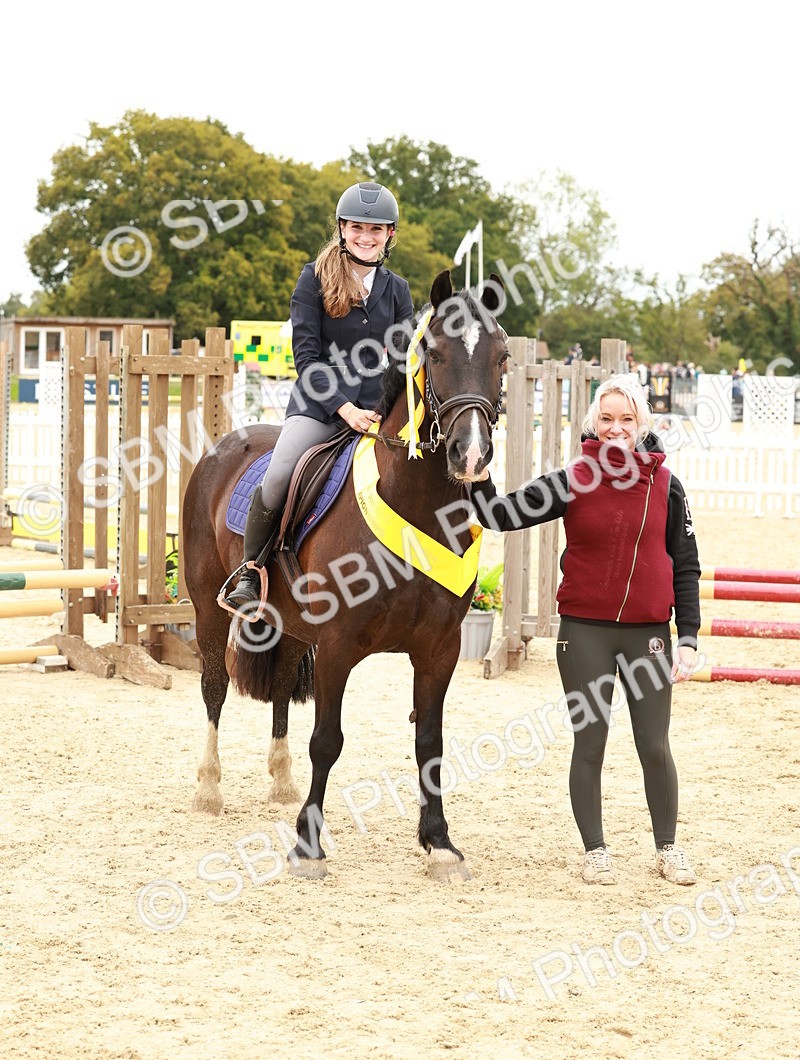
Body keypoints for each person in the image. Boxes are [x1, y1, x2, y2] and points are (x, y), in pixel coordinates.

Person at [470, 374, 701, 887]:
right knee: (590, 743)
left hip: (648, 634)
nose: (617, 428)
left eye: (627, 419)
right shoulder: (572, 479)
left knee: (654, 746)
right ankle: (596, 852)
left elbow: (685, 564)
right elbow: (498, 515)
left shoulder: (666, 485)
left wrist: (687, 636)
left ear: (641, 424)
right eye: (607, 419)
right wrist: (478, 473)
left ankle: (668, 849)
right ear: (594, 423)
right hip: (584, 634)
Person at [225, 181, 414, 611]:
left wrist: (390, 410)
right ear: (342, 229)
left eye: (376, 230)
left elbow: (403, 361)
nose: (366, 237)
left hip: (377, 412)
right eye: (357, 228)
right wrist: (345, 409)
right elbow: (307, 358)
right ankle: (251, 571)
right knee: (279, 473)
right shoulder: (313, 279)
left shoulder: (398, 290)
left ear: (389, 235)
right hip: (320, 408)